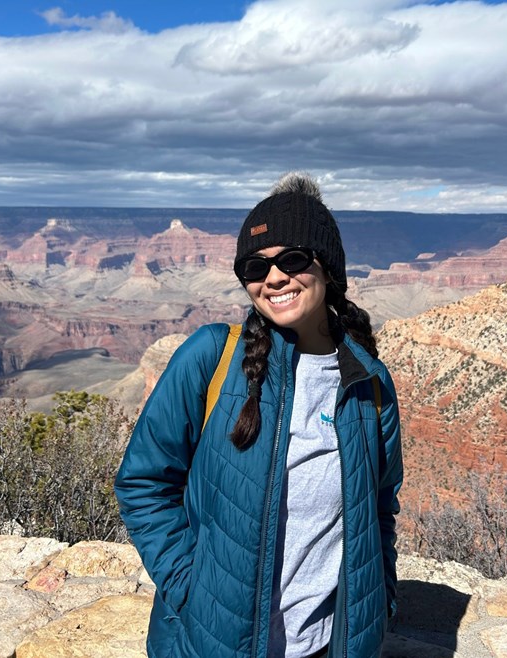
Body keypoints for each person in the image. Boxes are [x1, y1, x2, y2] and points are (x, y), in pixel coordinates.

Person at [115, 172, 403, 658]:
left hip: (325, 647)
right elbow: (143, 483)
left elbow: (380, 509)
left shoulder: (369, 385)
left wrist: (380, 605)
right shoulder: (211, 358)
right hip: (208, 644)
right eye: (255, 267)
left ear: (328, 268)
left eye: (292, 259)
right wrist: (192, 589)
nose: (273, 278)